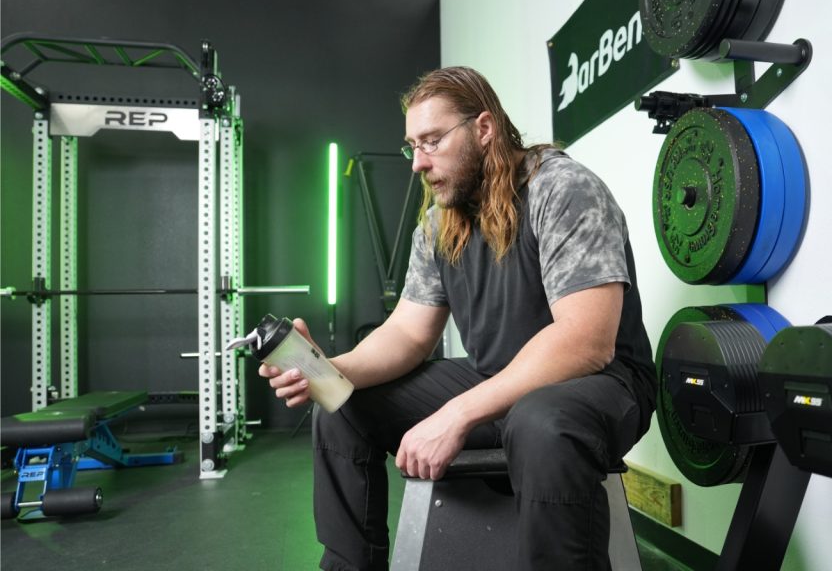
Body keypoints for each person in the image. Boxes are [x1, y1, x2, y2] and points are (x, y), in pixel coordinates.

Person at [260, 66, 656, 571]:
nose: (417, 163)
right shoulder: (438, 223)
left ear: (484, 129)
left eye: (431, 142)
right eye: (412, 146)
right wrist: (326, 370)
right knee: (340, 403)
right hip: (498, 379)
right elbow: (407, 333)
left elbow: (586, 343)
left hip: (601, 384)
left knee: (542, 423)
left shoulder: (562, 189)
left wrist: (456, 414)